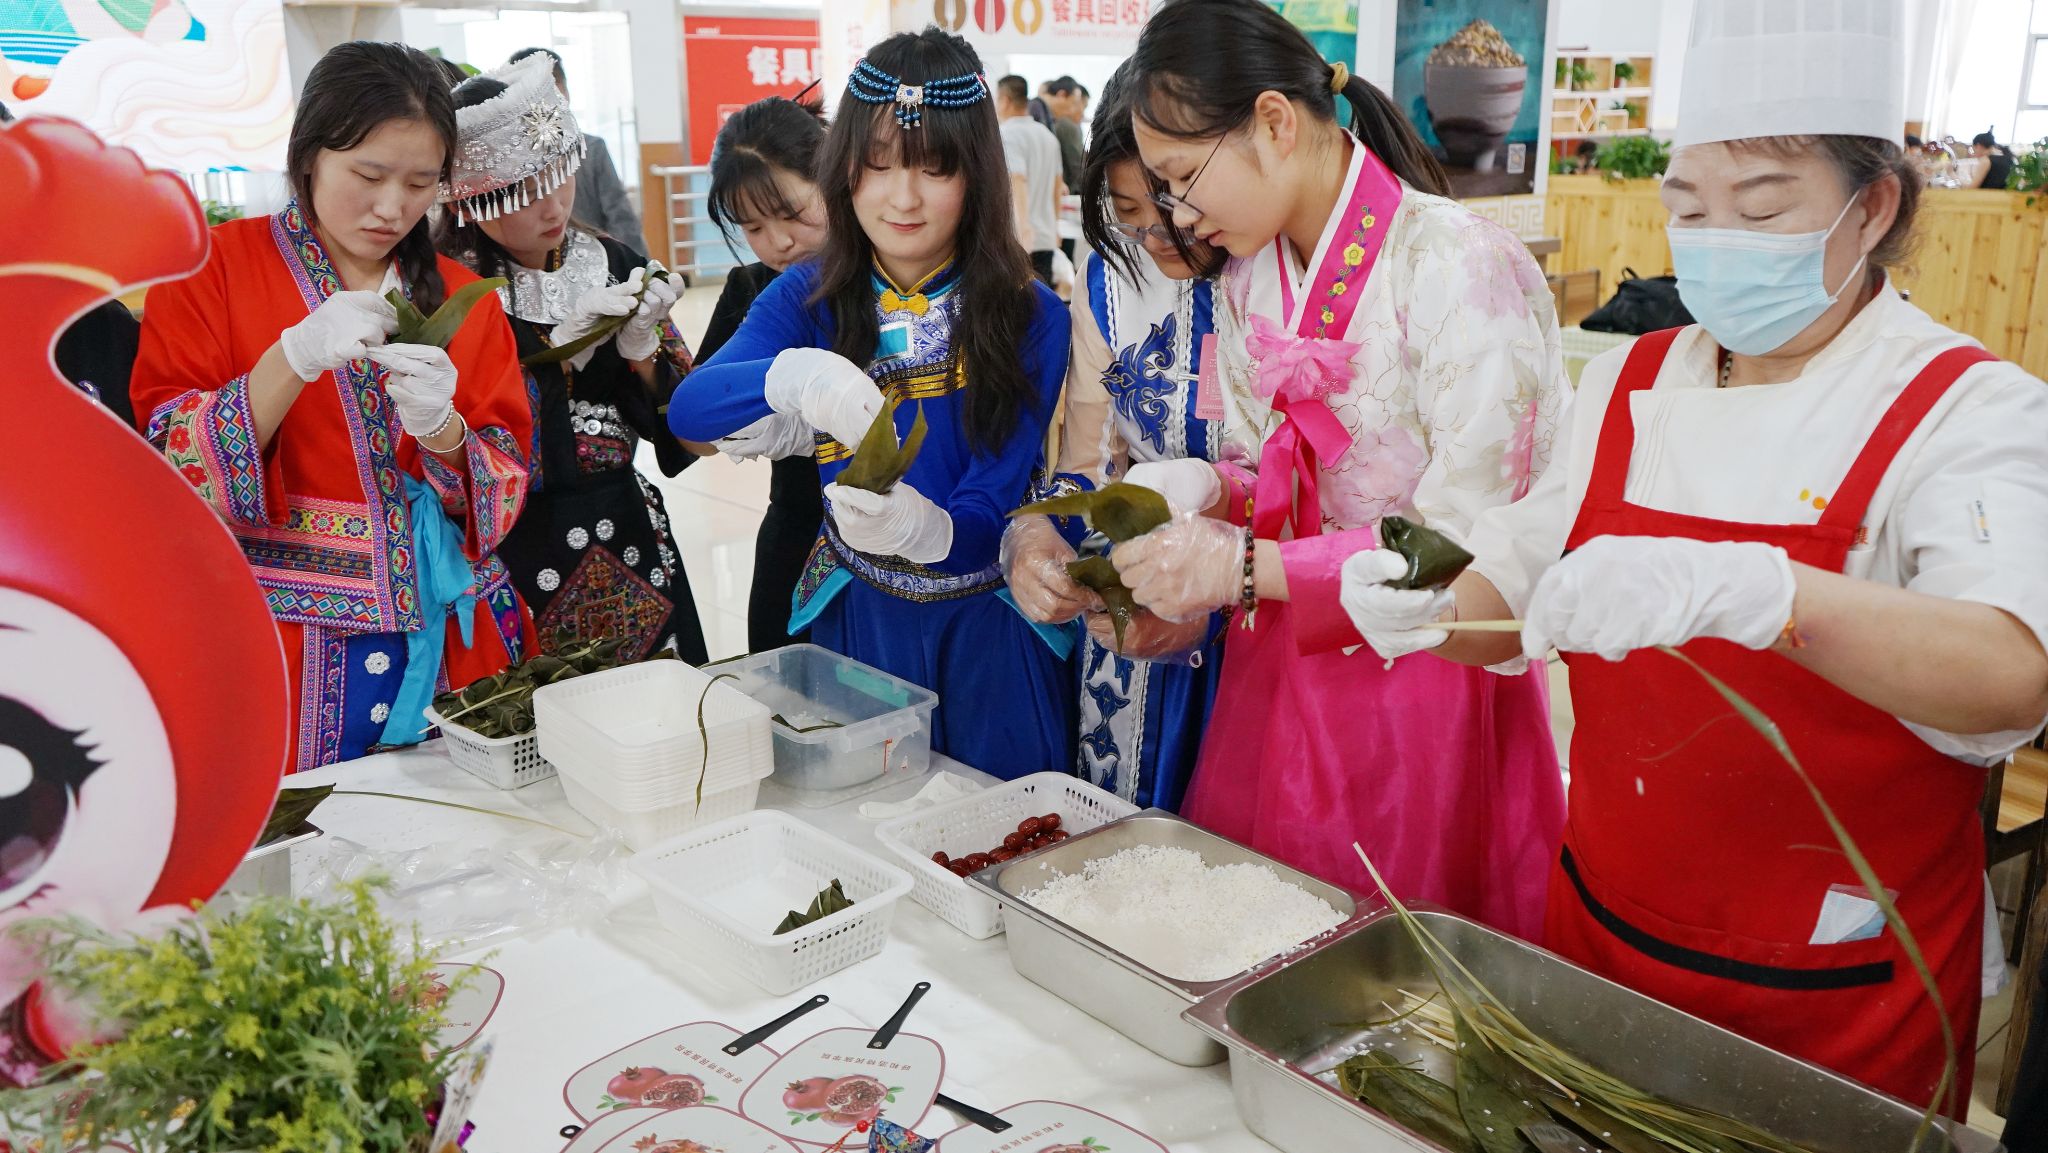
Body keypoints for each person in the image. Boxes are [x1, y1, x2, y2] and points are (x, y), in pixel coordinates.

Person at [1342, 0, 2048, 1114]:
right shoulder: (1630, 380)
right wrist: (1425, 609)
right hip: (1602, 939)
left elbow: (2008, 673)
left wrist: (1765, 594)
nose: (1714, 237)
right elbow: (1513, 591)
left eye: (1759, 208)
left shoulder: (1966, 407)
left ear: (1871, 208)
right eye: (1686, 206)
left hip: (1834, 995)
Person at [1104, 0, 1569, 936]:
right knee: (1253, 938)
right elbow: (1262, 467)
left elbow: (1469, 551)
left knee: (1394, 963)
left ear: (1275, 122)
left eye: (1184, 178)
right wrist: (1208, 489)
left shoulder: (1461, 264)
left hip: (1421, 675)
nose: (1180, 215)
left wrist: (1250, 566)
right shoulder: (1248, 277)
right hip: (1275, 664)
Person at [668, 28, 1073, 780]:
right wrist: (792, 378)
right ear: (844, 165)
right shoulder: (808, 293)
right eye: (878, 165)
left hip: (986, 631)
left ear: (978, 174)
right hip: (856, 621)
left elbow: (994, 493)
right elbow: (690, 411)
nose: (903, 197)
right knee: (856, 816)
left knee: (1003, 819)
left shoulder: (1033, 315)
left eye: (936, 168)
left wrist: (926, 528)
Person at [130, 41, 534, 772]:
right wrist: (292, 359)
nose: (392, 208)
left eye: (421, 183)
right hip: (282, 645)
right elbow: (167, 468)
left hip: (455, 641)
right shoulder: (208, 272)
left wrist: (442, 431)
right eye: (368, 175)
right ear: (309, 156)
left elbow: (502, 487)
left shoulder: (464, 299)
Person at [1003, 62, 1228, 811]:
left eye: (1178, 202)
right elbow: (1086, 465)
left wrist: (1215, 597)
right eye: (1131, 212)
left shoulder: (1273, 268)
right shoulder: (1109, 279)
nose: (1160, 235)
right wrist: (1039, 537)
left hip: (1263, 602)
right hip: (1139, 620)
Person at [435, 58, 709, 665]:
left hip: (627, 529)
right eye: (525, 193)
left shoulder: (615, 262)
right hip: (512, 544)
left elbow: (689, 427)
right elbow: (460, 445)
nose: (553, 207)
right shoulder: (450, 296)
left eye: (559, 178)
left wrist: (642, 355)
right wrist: (554, 361)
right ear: (470, 200)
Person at [700, 95, 832, 654]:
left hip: (910, 540)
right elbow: (689, 438)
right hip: (798, 532)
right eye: (753, 227)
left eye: (793, 214)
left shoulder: (895, 276)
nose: (778, 243)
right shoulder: (751, 289)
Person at [508, 46, 644, 244]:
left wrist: (627, 260)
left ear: (565, 93)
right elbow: (621, 217)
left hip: (595, 253)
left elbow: (621, 218)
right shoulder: (507, 160)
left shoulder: (592, 148)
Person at [996, 75, 1064, 285]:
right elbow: (1057, 186)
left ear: (1005, 100)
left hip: (1020, 240)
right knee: (1042, 298)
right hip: (1045, 237)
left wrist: (1024, 229)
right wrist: (1056, 227)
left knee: (1018, 301)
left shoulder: (1007, 134)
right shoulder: (1048, 136)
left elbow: (1017, 179)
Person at [1045, 76, 1088, 204]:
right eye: (1074, 103)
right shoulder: (1065, 124)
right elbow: (1077, 166)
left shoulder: (1054, 121)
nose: (1073, 109)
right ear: (1061, 95)